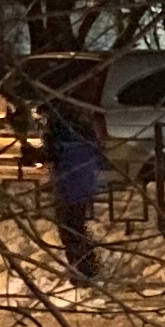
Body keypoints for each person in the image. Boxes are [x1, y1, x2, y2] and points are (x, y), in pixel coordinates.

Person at [48, 99, 108, 283]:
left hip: (69, 184)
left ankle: (83, 270)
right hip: (83, 184)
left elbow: (53, 154)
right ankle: (86, 267)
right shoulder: (84, 132)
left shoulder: (61, 132)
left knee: (69, 227)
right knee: (76, 226)